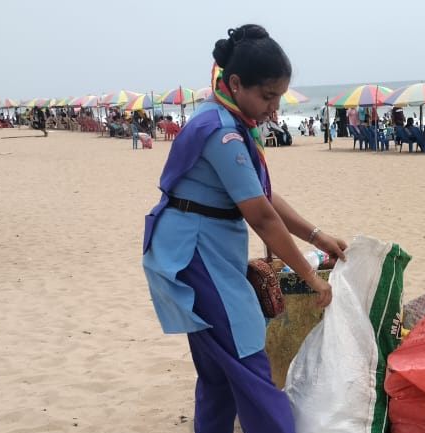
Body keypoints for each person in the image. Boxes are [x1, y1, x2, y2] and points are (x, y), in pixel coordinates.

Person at [141, 24, 347, 433]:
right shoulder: (222, 132)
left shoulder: (225, 118)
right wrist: (311, 279)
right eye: (267, 96)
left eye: (278, 97)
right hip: (196, 255)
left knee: (218, 371)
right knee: (249, 358)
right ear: (235, 83)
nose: (273, 108)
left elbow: (264, 196)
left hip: (192, 250)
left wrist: (317, 236)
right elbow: (262, 216)